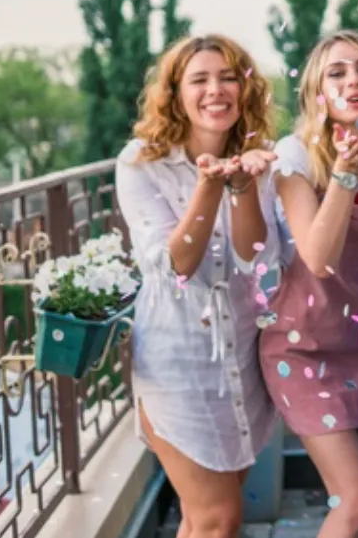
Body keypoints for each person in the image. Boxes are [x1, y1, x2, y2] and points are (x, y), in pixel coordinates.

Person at [115, 34, 280, 538]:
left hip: (243, 357)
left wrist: (243, 186)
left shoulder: (259, 158)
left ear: (245, 89)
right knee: (218, 519)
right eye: (200, 79)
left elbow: (257, 258)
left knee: (206, 519)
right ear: (175, 93)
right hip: (177, 361)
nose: (216, 90)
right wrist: (210, 188)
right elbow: (173, 266)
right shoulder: (141, 162)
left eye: (228, 77)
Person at [258, 31, 358, 538]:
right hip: (299, 349)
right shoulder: (295, 155)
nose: (354, 80)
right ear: (317, 94)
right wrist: (346, 174)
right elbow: (318, 257)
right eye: (337, 72)